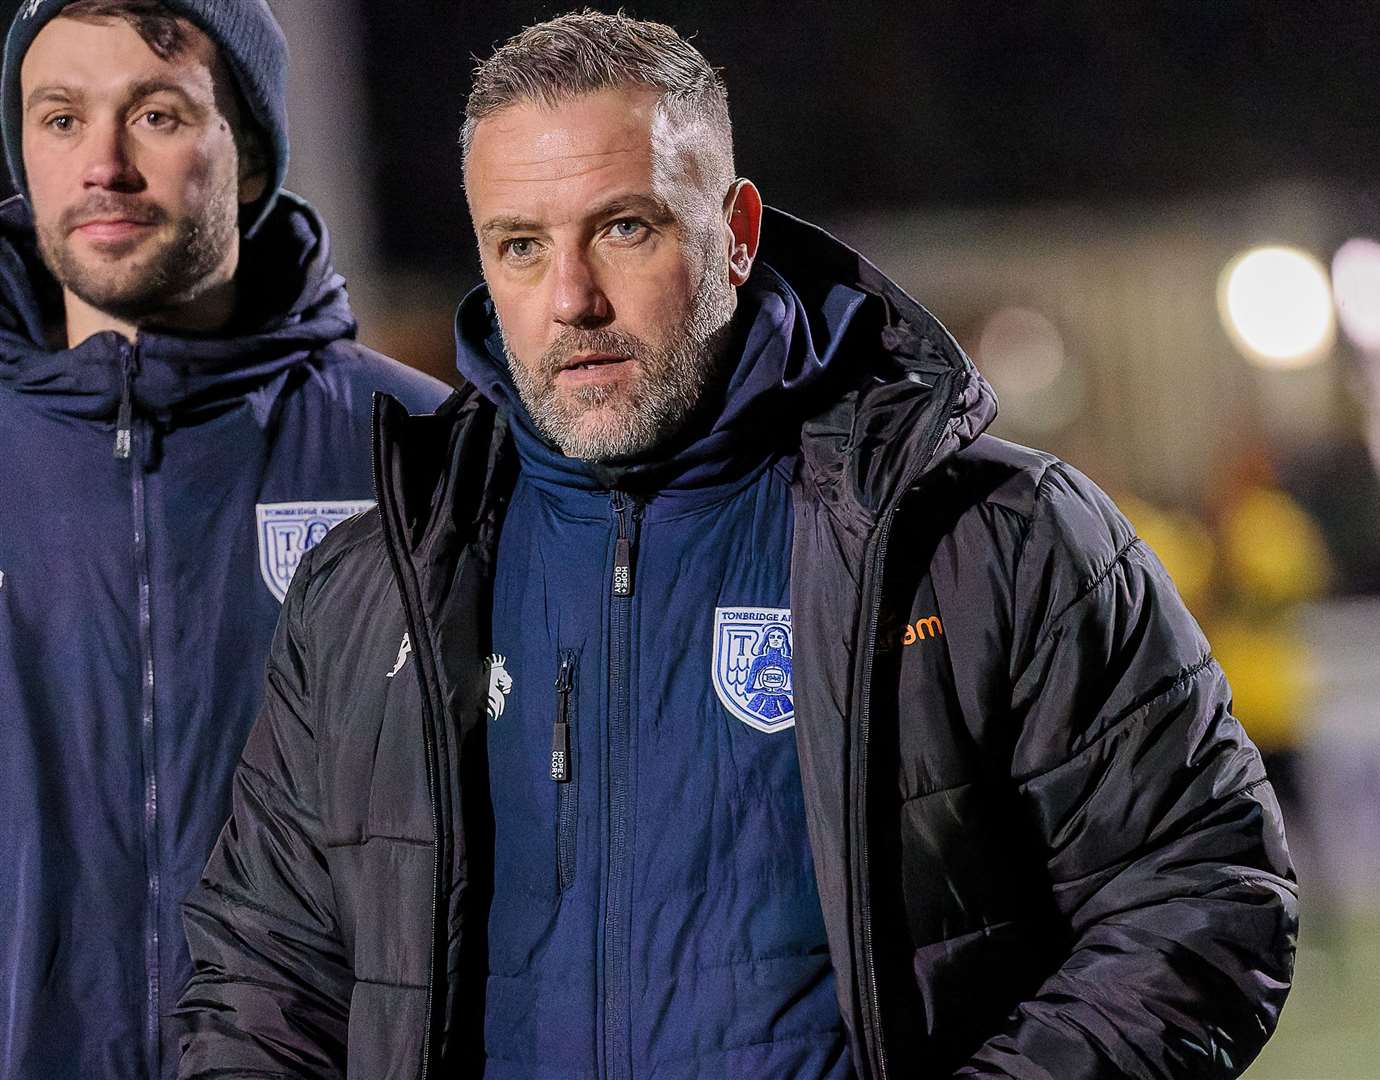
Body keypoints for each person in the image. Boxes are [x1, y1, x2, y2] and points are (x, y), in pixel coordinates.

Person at [177, 11, 1296, 1079]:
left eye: (625, 227)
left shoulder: (991, 541)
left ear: (737, 235)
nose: (573, 297)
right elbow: (264, 982)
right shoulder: (373, 591)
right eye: (519, 247)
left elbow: (1199, 891)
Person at [0, 1, 448, 1077]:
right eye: (59, 119)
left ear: (248, 159)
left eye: (154, 113)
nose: (101, 164)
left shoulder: (424, 454)